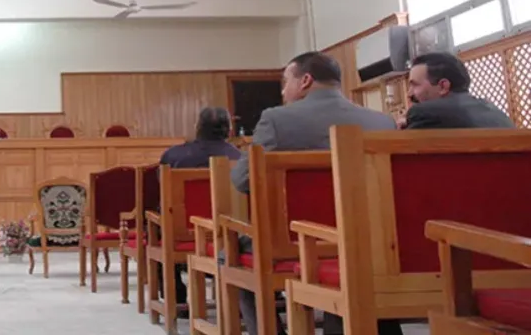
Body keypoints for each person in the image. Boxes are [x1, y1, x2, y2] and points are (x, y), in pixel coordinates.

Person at [230, 52, 400, 335]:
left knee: (228, 253)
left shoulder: (276, 120)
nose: (283, 91)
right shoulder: (382, 123)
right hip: (371, 243)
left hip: (295, 241)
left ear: (305, 80)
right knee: (358, 260)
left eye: (285, 82)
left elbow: (242, 180)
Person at [156, 107, 242, 316]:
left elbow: (162, 192)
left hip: (183, 233)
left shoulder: (173, 155)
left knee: (159, 222)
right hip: (229, 234)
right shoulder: (240, 158)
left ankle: (176, 297)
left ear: (197, 127)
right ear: (229, 130)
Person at [402, 52, 514, 129]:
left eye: (415, 85)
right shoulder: (497, 114)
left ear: (443, 86)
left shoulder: (423, 114)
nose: (409, 93)